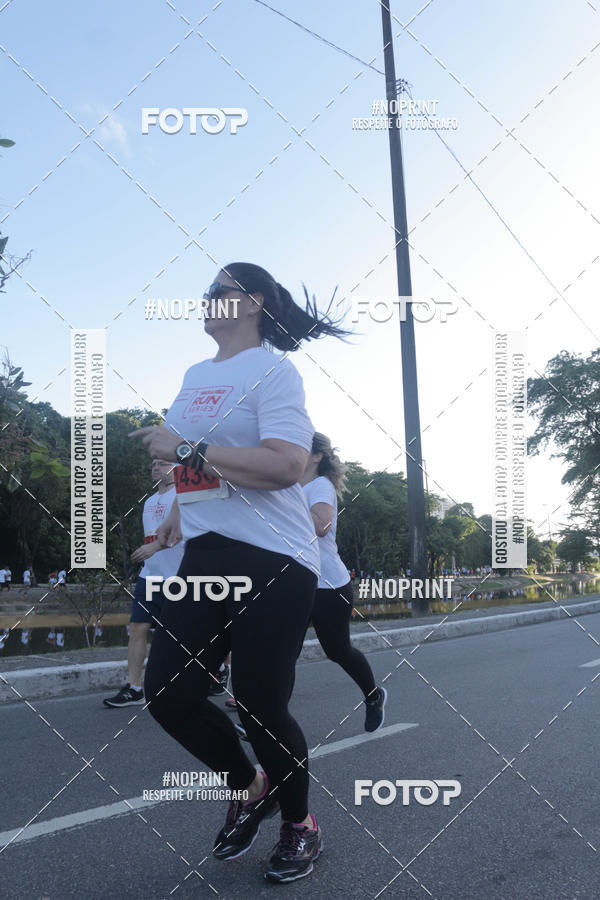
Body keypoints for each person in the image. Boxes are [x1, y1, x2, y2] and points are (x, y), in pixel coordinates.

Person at [131, 262, 348, 883]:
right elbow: (198, 469)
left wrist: (183, 449)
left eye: (216, 292)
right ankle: (252, 785)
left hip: (275, 557)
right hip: (204, 555)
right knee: (168, 693)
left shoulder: (275, 372)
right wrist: (176, 514)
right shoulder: (195, 376)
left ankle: (300, 825)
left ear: (252, 302)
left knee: (259, 704)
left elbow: (286, 466)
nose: (204, 300)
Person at [300, 433, 386, 731]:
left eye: (299, 447)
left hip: (328, 586)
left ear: (316, 456)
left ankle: (373, 696)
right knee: (282, 652)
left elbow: (322, 525)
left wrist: (284, 508)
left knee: (337, 650)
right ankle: (267, 718)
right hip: (296, 583)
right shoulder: (288, 487)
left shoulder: (320, 486)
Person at [104, 458, 184, 708]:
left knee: (178, 636)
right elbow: (151, 536)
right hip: (149, 576)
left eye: (162, 464)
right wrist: (149, 551)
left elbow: (182, 533)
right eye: (153, 464)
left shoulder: (183, 496)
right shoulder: (149, 501)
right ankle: (135, 688)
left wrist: (155, 547)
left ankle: (193, 681)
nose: (155, 468)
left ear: (177, 468)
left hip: (178, 577)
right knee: (137, 628)